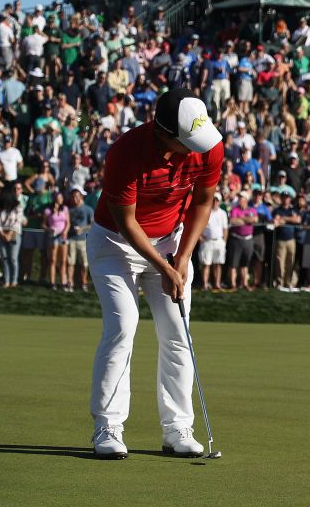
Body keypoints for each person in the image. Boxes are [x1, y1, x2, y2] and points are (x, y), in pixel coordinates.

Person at [87, 88, 223, 459]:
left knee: (177, 333)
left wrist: (181, 257)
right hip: (115, 245)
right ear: (164, 133)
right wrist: (163, 265)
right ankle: (108, 428)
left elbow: (203, 201)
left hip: (171, 241)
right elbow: (126, 222)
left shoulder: (208, 146)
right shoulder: (126, 154)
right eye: (188, 142)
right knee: (123, 327)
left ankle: (178, 428)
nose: (197, 149)